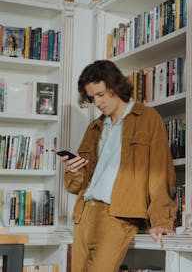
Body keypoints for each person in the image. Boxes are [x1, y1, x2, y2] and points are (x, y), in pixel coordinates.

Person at [60, 60, 176, 272]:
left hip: (117, 216)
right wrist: (73, 170)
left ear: (115, 86)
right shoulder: (94, 127)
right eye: (93, 97)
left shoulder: (147, 119)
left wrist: (162, 220)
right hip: (84, 214)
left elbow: (160, 173)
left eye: (101, 94)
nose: (98, 102)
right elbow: (76, 185)